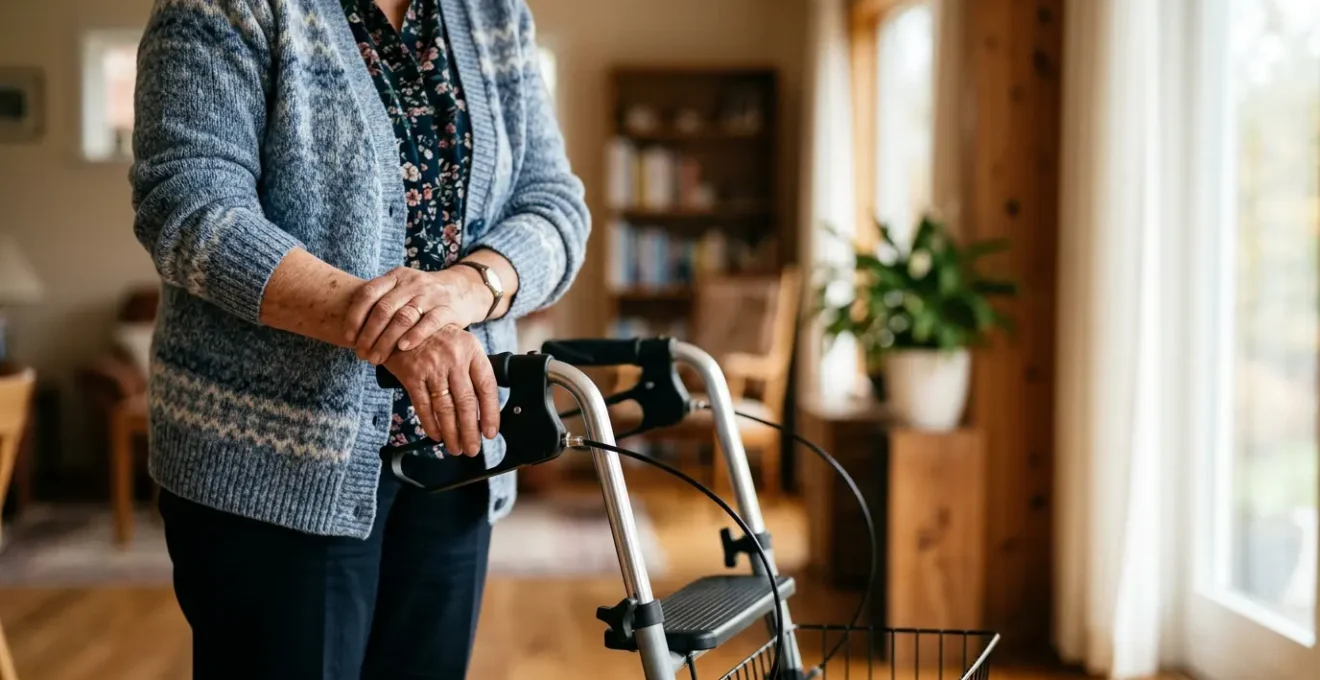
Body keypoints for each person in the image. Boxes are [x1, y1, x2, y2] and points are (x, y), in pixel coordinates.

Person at [129, 0, 588, 677]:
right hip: (272, 462)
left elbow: (554, 205)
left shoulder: (494, 13)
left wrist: (462, 291)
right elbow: (190, 205)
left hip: (455, 456)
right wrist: (399, 332)